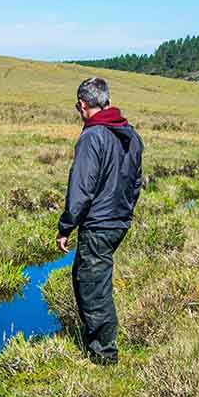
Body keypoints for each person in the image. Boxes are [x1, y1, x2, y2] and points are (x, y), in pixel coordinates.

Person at [56, 77, 144, 365]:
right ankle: (100, 343)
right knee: (94, 280)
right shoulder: (130, 134)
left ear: (83, 104)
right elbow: (135, 182)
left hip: (99, 224)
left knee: (91, 285)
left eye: (77, 107)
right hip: (119, 221)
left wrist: (66, 226)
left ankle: (104, 355)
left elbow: (81, 188)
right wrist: (126, 210)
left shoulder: (92, 136)